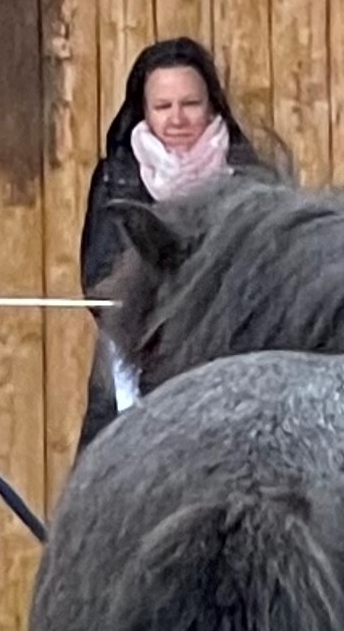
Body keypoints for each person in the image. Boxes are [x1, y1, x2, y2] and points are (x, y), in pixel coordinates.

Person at [75, 37, 266, 449]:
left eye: (190, 104)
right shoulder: (117, 176)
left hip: (226, 354)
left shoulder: (251, 179)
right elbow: (98, 273)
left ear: (212, 105)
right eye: (163, 107)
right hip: (135, 351)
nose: (177, 118)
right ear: (144, 111)